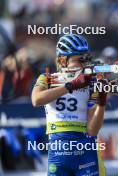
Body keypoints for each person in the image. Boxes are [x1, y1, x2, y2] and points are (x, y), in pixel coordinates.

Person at [31, 34, 106, 176]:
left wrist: (101, 103)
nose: (84, 63)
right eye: (79, 59)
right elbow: (36, 100)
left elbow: (92, 131)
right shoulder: (47, 78)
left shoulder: (91, 83)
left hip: (84, 150)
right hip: (58, 152)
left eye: (86, 58)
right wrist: (72, 85)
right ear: (62, 60)